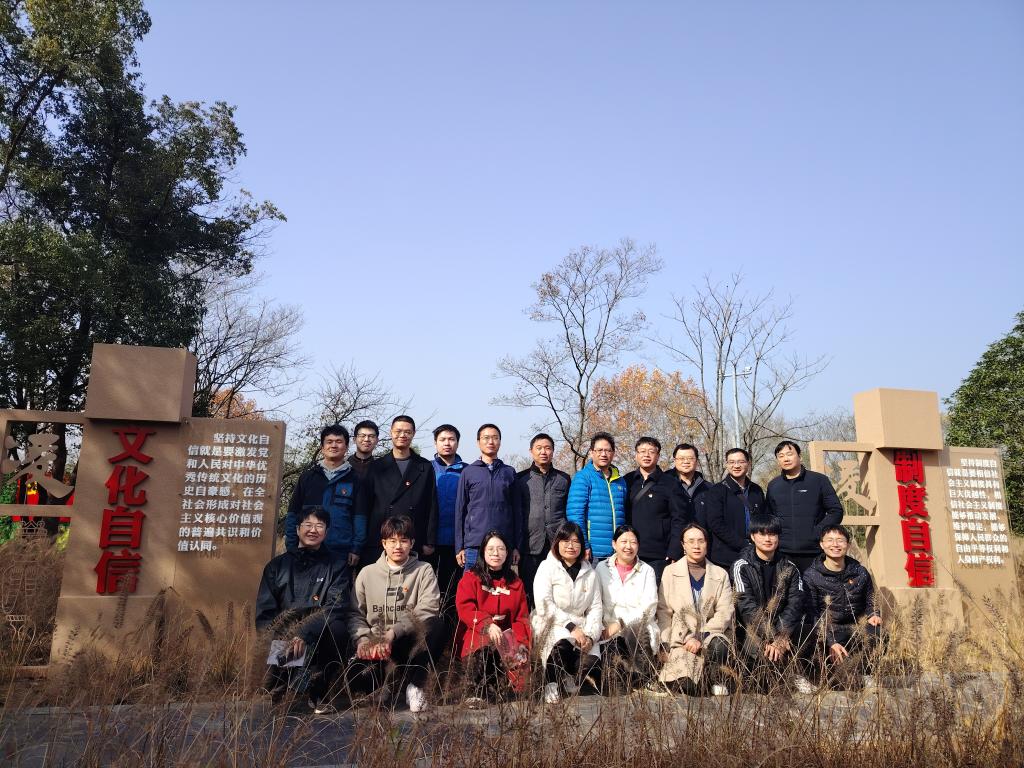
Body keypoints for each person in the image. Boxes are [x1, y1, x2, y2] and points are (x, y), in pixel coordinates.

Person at [255, 507, 351, 712]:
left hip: (319, 633)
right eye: (308, 525)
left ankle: (319, 692)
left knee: (339, 629)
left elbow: (336, 606)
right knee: (281, 704)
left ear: (326, 531)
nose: (313, 530)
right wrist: (286, 637)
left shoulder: (336, 565)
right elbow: (265, 613)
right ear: (298, 529)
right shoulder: (276, 567)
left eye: (319, 525)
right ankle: (283, 685)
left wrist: (304, 634)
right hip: (285, 637)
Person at [348, 515, 444, 713]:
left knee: (437, 625)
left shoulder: (423, 570)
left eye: (403, 540)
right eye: (392, 541)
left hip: (408, 639)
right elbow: (355, 613)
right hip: (376, 643)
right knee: (357, 681)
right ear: (384, 543)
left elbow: (429, 606)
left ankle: (416, 686)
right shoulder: (367, 573)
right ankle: (380, 686)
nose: (398, 546)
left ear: (412, 543)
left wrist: (394, 632)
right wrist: (363, 639)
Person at [732, 513, 810, 693]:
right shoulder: (741, 566)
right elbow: (747, 607)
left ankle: (796, 674)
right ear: (753, 537)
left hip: (783, 629)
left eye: (772, 534)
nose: (768, 539)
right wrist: (771, 636)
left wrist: (781, 636)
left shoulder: (790, 566)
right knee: (766, 664)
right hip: (753, 630)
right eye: (762, 534)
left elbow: (795, 603)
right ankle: (779, 675)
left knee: (809, 631)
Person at [454, 530, 532, 703]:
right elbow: (465, 609)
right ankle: (474, 690)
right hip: (477, 632)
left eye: (501, 549)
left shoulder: (516, 583)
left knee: (516, 677)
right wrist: (487, 624)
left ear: (507, 553)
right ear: (483, 552)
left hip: (506, 637)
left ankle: (502, 687)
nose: (496, 553)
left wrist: (521, 643)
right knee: (482, 651)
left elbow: (521, 618)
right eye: (490, 549)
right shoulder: (470, 578)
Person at [657, 523, 734, 696]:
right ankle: (699, 681)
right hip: (681, 639)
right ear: (683, 545)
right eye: (691, 541)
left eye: (701, 541)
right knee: (689, 686)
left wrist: (700, 635)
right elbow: (664, 611)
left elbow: (724, 612)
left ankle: (715, 678)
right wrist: (665, 642)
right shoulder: (670, 572)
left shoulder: (720, 574)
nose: (696, 545)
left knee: (719, 644)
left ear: (707, 543)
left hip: (710, 635)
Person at [802, 525, 883, 687]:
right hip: (828, 629)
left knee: (878, 633)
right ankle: (819, 674)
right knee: (809, 636)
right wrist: (830, 641)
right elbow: (812, 613)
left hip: (854, 626)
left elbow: (870, 599)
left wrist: (874, 614)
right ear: (822, 544)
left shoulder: (860, 572)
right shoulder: (811, 575)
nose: (835, 544)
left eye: (840, 540)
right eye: (830, 540)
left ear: (848, 544)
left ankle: (865, 672)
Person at [531, 521, 603, 703]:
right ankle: (551, 681)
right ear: (557, 543)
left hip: (581, 625)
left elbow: (595, 608)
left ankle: (568, 674)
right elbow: (544, 603)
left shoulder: (590, 573)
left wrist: (590, 636)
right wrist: (570, 627)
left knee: (591, 660)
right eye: (565, 541)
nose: (571, 546)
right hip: (553, 622)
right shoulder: (547, 567)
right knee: (561, 644)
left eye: (576, 541)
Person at [285, 424, 368, 568]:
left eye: (339, 441)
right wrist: (292, 545)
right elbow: (293, 513)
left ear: (346, 447)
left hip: (340, 551)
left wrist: (356, 548)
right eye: (329, 442)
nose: (334, 445)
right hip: (307, 548)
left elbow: (359, 517)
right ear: (322, 448)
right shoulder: (307, 477)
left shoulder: (355, 479)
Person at [361, 415, 438, 564]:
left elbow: (432, 505)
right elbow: (365, 506)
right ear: (391, 432)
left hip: (413, 538)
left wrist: (430, 541)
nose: (402, 435)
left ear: (413, 434)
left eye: (407, 432)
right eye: (398, 431)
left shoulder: (424, 467)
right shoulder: (376, 467)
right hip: (381, 538)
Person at [594, 525, 659, 693]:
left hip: (638, 628)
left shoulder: (647, 571)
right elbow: (596, 602)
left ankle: (645, 674)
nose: (628, 546)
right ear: (614, 544)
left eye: (633, 542)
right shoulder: (601, 568)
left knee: (635, 630)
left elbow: (648, 608)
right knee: (616, 688)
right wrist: (601, 627)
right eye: (623, 541)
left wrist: (620, 624)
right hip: (608, 630)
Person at [766, 440, 844, 573]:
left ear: (800, 456)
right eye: (781, 456)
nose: (786, 459)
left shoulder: (819, 480)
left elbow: (836, 511)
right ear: (778, 460)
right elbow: (769, 516)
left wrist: (818, 532)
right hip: (782, 552)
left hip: (814, 551)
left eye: (789, 454)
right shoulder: (774, 485)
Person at [454, 424, 522, 571]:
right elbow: (460, 511)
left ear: (500, 442)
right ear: (478, 442)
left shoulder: (509, 472)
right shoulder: (468, 472)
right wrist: (459, 547)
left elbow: (517, 511)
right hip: (474, 544)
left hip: (503, 544)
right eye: (486, 438)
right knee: (472, 583)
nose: (491, 441)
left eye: (495, 438)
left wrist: (516, 546)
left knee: (501, 584)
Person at [515, 432, 571, 606]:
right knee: (529, 592)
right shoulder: (521, 479)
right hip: (530, 545)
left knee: (558, 591)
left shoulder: (563, 479)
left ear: (553, 451)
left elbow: (568, 511)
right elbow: (517, 513)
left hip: (557, 544)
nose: (543, 452)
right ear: (531, 451)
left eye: (547, 448)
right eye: (539, 448)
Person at [623, 436, 686, 584]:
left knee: (656, 595)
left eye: (651, 452)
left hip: (659, 555)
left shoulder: (670, 483)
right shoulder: (627, 481)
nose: (646, 455)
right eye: (642, 451)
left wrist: (674, 550)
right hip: (629, 551)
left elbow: (679, 518)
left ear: (658, 456)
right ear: (636, 455)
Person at [703, 448, 766, 573]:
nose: (736, 466)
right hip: (725, 557)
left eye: (741, 462)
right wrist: (743, 544)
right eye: (731, 462)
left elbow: (763, 519)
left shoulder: (756, 490)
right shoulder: (717, 491)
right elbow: (715, 524)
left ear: (748, 463)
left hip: (755, 554)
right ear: (726, 464)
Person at [566, 432, 627, 562]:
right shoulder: (583, 477)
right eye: (599, 450)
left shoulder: (620, 481)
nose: (603, 454)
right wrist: (584, 545)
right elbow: (575, 514)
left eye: (607, 450)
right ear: (591, 452)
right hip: (593, 553)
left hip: (617, 552)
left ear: (613, 453)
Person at [430, 423, 466, 623]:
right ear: (435, 443)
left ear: (458, 443)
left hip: (456, 542)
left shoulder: (467, 471)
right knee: (429, 589)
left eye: (451, 439)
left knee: (452, 588)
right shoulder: (426, 469)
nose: (447, 443)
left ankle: (451, 629)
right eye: (442, 439)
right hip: (430, 540)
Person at [670, 443, 710, 531]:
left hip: (701, 537)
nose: (686, 462)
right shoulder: (664, 484)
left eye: (690, 458)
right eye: (681, 458)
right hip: (672, 537)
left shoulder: (708, 488)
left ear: (697, 461)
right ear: (674, 460)